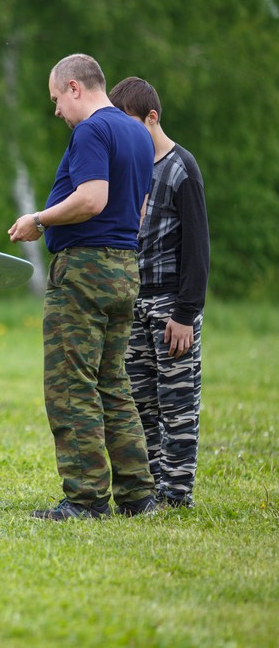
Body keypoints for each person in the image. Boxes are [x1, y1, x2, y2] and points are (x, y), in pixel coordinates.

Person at [8, 53, 158, 520]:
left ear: (75, 87)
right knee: (113, 383)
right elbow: (139, 208)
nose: (56, 110)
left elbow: (93, 198)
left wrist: (38, 219)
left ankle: (86, 499)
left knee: (71, 386)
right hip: (124, 267)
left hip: (84, 270)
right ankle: (138, 496)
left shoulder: (92, 129)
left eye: (56, 99)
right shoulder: (136, 132)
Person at [109, 76, 209, 508]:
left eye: (131, 124)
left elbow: (198, 248)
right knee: (140, 405)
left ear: (152, 118)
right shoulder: (130, 169)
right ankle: (150, 490)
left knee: (177, 403)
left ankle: (178, 494)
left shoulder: (181, 167)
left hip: (173, 306)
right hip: (135, 303)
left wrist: (185, 314)